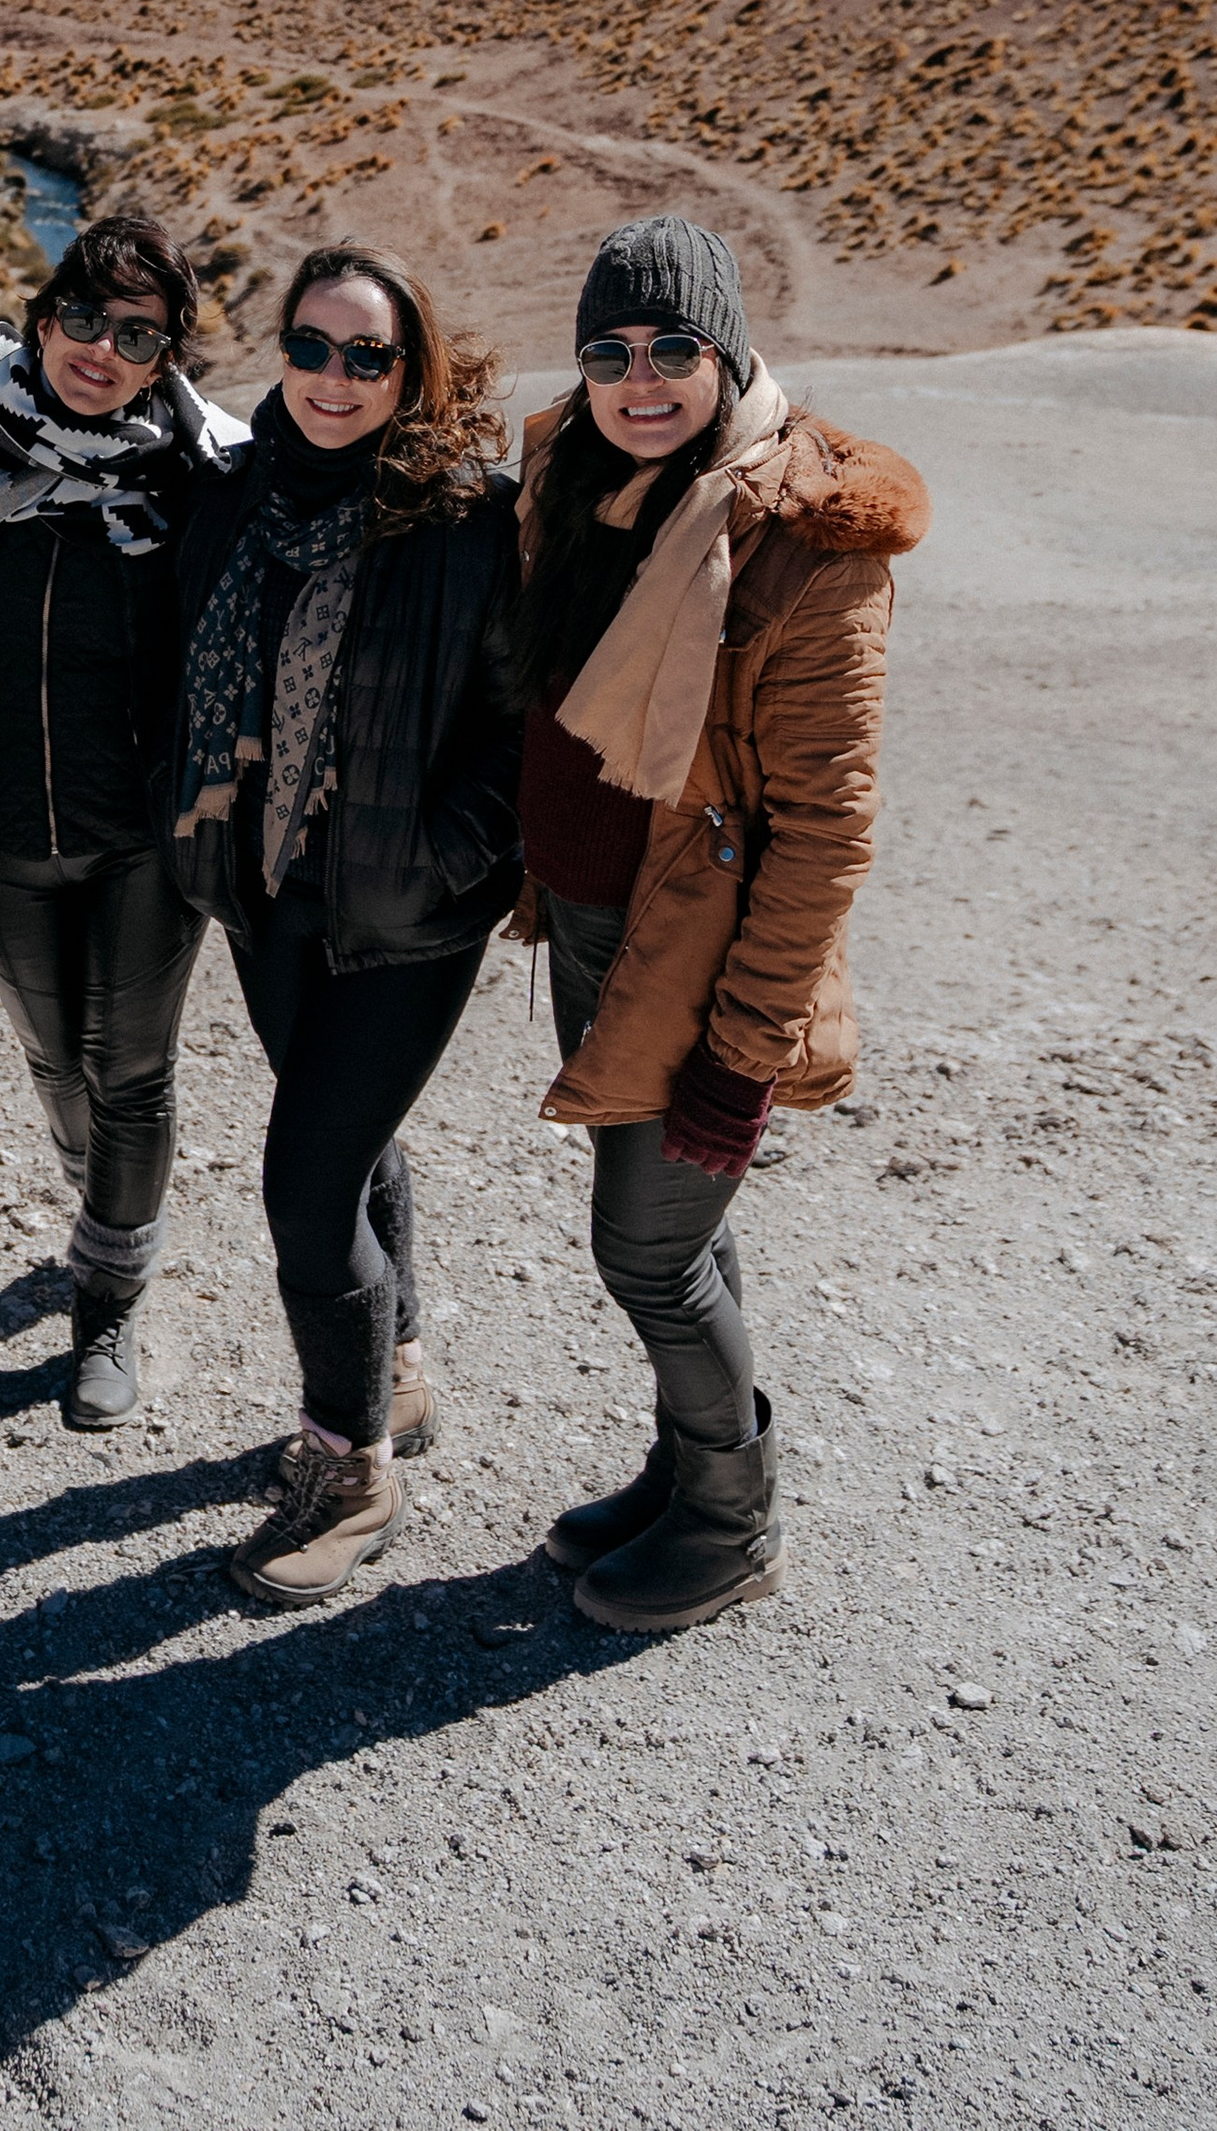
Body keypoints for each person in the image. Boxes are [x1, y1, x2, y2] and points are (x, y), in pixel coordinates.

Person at [507, 214, 927, 1632]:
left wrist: (745, 1054)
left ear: (727, 349)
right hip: (588, 924)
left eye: (673, 348)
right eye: (610, 352)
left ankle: (736, 1528)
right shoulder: (569, 475)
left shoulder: (810, 547)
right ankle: (687, 1471)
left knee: (647, 1249)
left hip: (701, 960)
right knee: (682, 1247)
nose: (641, 379)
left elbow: (827, 832)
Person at [170, 244, 521, 1608]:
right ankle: (403, 1364)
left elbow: (522, 729)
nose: (331, 379)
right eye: (310, 348)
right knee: (353, 1146)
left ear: (410, 372)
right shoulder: (240, 494)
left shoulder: (466, 522)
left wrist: (450, 860)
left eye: (365, 357)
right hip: (269, 893)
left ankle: (352, 1460)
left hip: (407, 919)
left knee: (306, 1191)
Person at [0, 211, 241, 1427]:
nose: (102, 351)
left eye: (139, 335)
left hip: (140, 839)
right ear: (44, 317)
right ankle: (99, 1190)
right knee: (60, 1063)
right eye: (85, 319)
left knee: (135, 1073)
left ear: (168, 357)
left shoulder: (195, 475)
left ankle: (107, 1299)